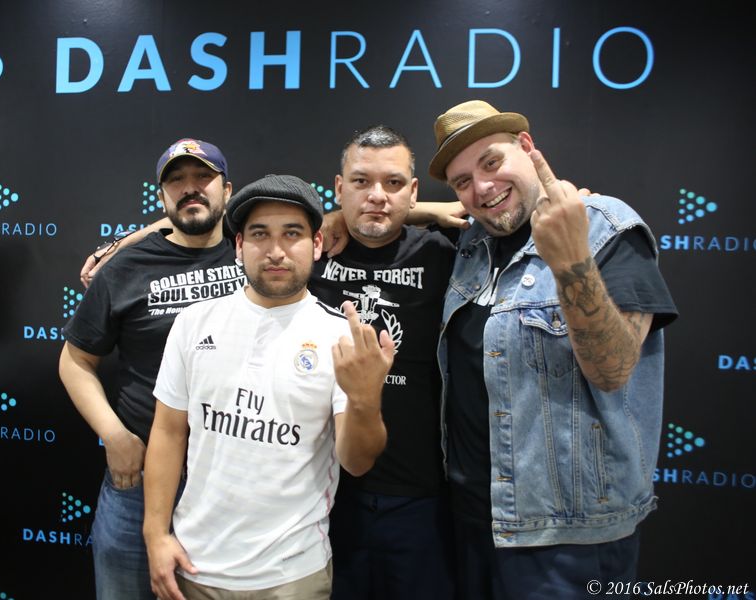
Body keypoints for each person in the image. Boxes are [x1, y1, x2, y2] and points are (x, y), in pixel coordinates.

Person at [428, 100, 678, 599]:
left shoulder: (606, 226)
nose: (482, 187)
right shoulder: (472, 246)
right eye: (462, 181)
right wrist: (392, 212)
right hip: (472, 523)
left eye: (492, 162)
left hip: (568, 535)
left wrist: (569, 260)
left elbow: (613, 369)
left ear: (526, 146)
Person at [142, 174, 395, 600]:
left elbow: (357, 462)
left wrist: (365, 399)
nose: (276, 251)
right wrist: (155, 535)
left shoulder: (340, 337)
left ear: (317, 244)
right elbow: (168, 432)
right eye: (260, 234)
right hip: (194, 567)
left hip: (293, 576)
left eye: (292, 234)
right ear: (239, 246)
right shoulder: (194, 323)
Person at [59, 138, 244, 600]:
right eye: (176, 181)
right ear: (162, 195)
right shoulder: (124, 269)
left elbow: (337, 217)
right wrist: (114, 435)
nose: (190, 188)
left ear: (227, 189)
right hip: (139, 482)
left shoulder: (256, 252)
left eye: (203, 177)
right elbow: (75, 361)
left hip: (235, 479)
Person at [308, 126, 462, 599]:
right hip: (320, 497)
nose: (377, 195)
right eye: (361, 182)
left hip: (421, 495)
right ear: (338, 188)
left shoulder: (444, 254)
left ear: (413, 192)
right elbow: (213, 230)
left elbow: (510, 216)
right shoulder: (307, 253)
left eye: (393, 183)